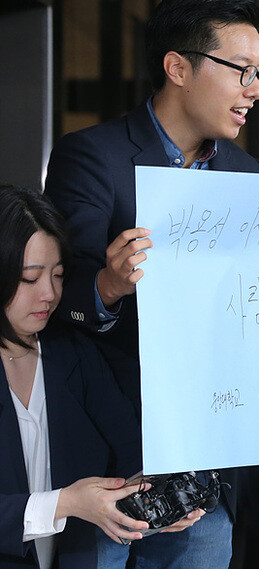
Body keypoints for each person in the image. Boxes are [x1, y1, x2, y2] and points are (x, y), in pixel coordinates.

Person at [43, 0, 259, 569]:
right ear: (178, 67)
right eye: (241, 71)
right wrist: (108, 285)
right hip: (108, 457)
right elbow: (54, 295)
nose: (254, 90)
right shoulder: (93, 156)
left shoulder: (246, 171)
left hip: (204, 472)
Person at [0, 186, 201, 569]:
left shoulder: (69, 350)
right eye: (30, 278)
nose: (49, 294)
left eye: (58, 275)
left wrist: (161, 491)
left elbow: (128, 443)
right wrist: (67, 502)